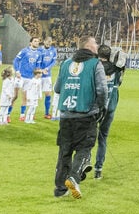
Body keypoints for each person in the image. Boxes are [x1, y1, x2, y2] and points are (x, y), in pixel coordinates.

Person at [53, 36, 107, 199]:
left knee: (65, 150)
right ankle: (74, 177)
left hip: (66, 115)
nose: (97, 45)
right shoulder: (95, 64)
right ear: (89, 46)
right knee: (84, 148)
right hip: (86, 114)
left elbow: (57, 88)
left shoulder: (66, 63)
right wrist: (100, 108)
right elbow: (102, 90)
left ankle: (60, 188)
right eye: (95, 43)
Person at [93, 44, 125, 179]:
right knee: (103, 138)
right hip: (110, 106)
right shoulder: (117, 69)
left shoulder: (94, 68)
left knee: (87, 137)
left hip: (94, 108)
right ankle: (98, 169)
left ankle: (83, 164)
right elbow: (121, 80)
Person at [13, 36, 43, 124]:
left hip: (30, 78)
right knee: (14, 96)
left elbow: (37, 66)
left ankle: (22, 115)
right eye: (35, 41)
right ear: (31, 42)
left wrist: (39, 73)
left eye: (38, 41)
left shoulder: (39, 53)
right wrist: (17, 71)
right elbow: (16, 61)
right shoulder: (24, 51)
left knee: (25, 97)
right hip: (21, 76)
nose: (37, 42)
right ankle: (7, 114)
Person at [39, 37, 57, 119]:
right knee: (34, 94)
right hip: (38, 75)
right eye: (47, 41)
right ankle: (29, 113)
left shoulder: (53, 50)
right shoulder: (40, 50)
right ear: (44, 41)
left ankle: (46, 113)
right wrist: (41, 70)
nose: (48, 43)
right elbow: (37, 61)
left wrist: (47, 69)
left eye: (50, 41)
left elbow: (53, 62)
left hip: (47, 75)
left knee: (48, 94)